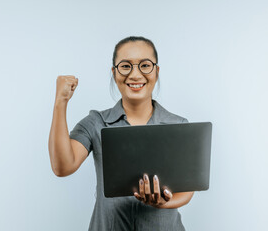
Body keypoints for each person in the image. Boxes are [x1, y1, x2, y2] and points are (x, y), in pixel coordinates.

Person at [48, 36, 194, 230]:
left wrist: (162, 203)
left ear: (156, 72)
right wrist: (60, 102)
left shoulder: (178, 125)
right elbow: (62, 167)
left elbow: (187, 189)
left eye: (145, 65)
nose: (135, 75)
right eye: (125, 66)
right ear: (114, 73)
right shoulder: (96, 123)